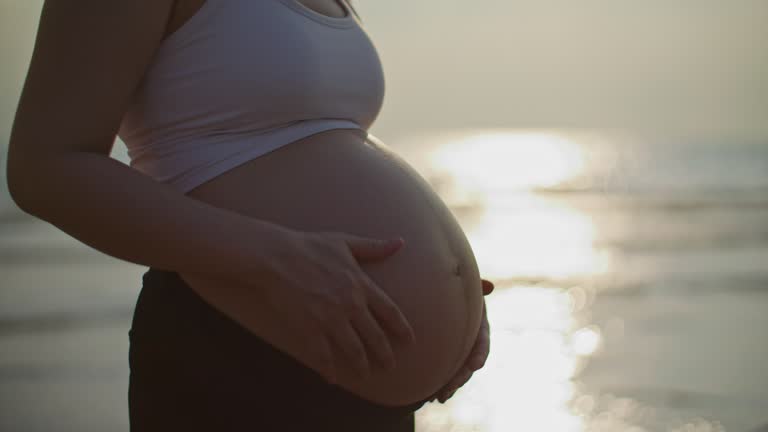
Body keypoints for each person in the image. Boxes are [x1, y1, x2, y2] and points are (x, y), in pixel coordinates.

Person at [6, 0, 494, 430]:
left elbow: (312, 139)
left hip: (351, 358)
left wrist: (456, 292)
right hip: (241, 345)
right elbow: (45, 168)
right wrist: (273, 258)